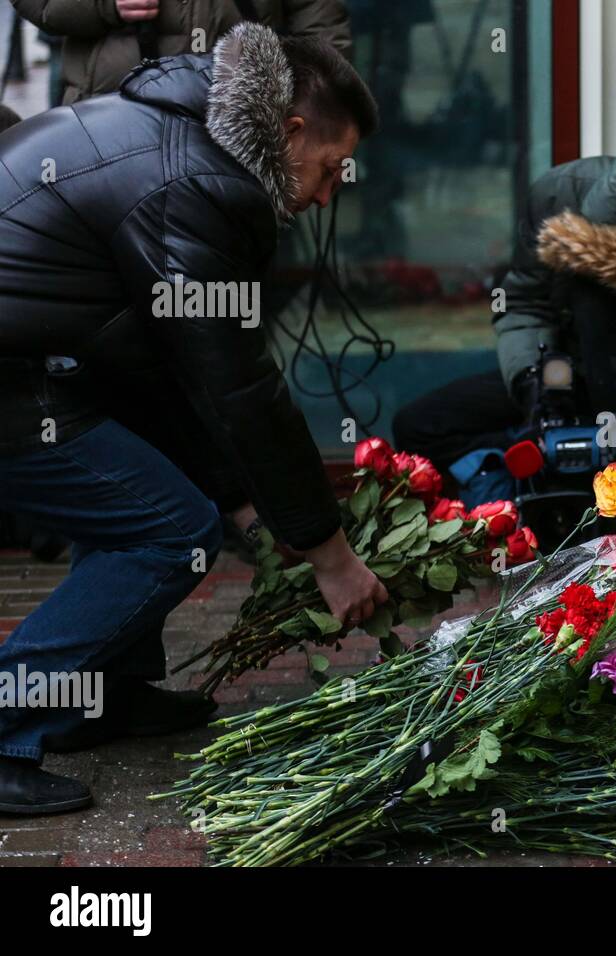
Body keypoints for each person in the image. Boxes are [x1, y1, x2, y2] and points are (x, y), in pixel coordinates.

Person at [0, 23, 385, 814]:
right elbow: (237, 386)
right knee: (169, 531)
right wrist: (329, 551)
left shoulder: (181, 134)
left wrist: (241, 494)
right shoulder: (200, 185)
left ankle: (100, 694)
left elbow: (163, 367)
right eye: (329, 170)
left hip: (39, 361)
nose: (324, 195)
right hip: (12, 377)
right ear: (289, 132)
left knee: (156, 494)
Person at [392, 147, 616, 494]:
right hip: (567, 374)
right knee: (418, 426)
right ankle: (533, 459)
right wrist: (534, 384)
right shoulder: (557, 198)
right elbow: (525, 304)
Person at [10, 0, 350, 105]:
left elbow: (317, 16)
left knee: (223, 266)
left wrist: (316, 107)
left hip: (239, 124)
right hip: (110, 114)